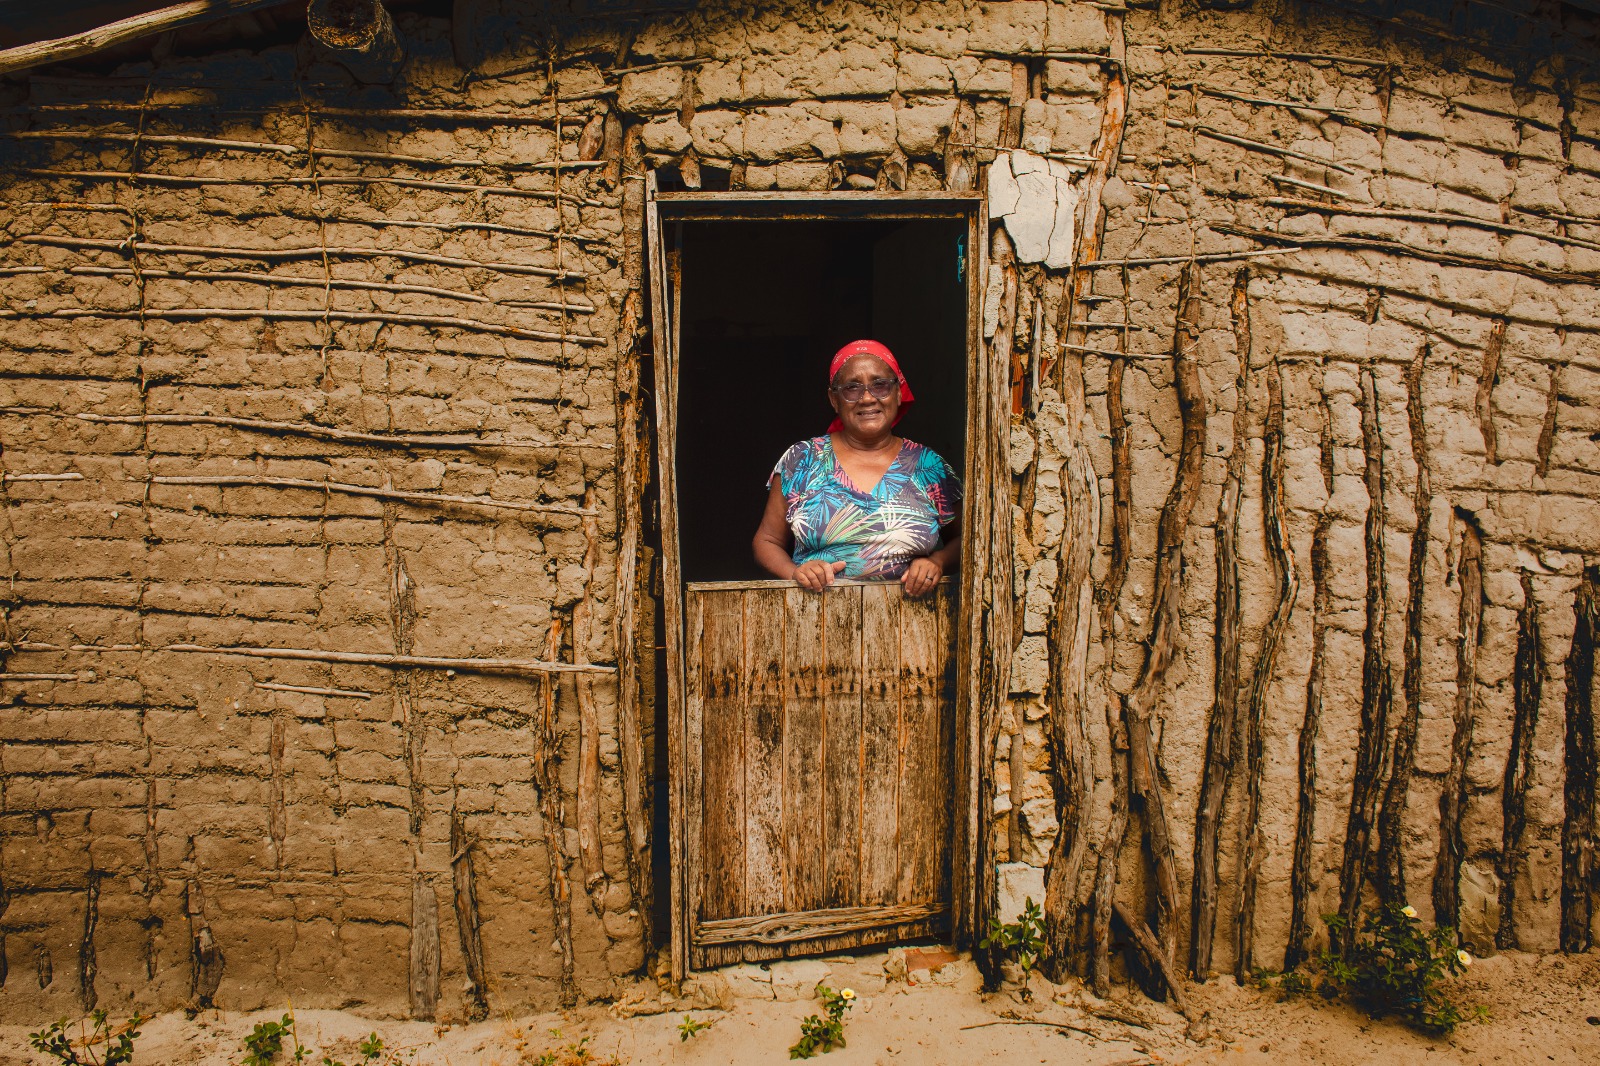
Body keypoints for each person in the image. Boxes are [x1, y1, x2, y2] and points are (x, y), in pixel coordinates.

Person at [753, 339, 961, 597]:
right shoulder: (802, 459)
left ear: (898, 392)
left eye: (880, 385)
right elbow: (767, 541)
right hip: (814, 620)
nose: (866, 398)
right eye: (852, 388)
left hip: (912, 624)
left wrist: (937, 562)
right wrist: (795, 573)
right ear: (834, 399)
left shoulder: (929, 466)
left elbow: (968, 538)